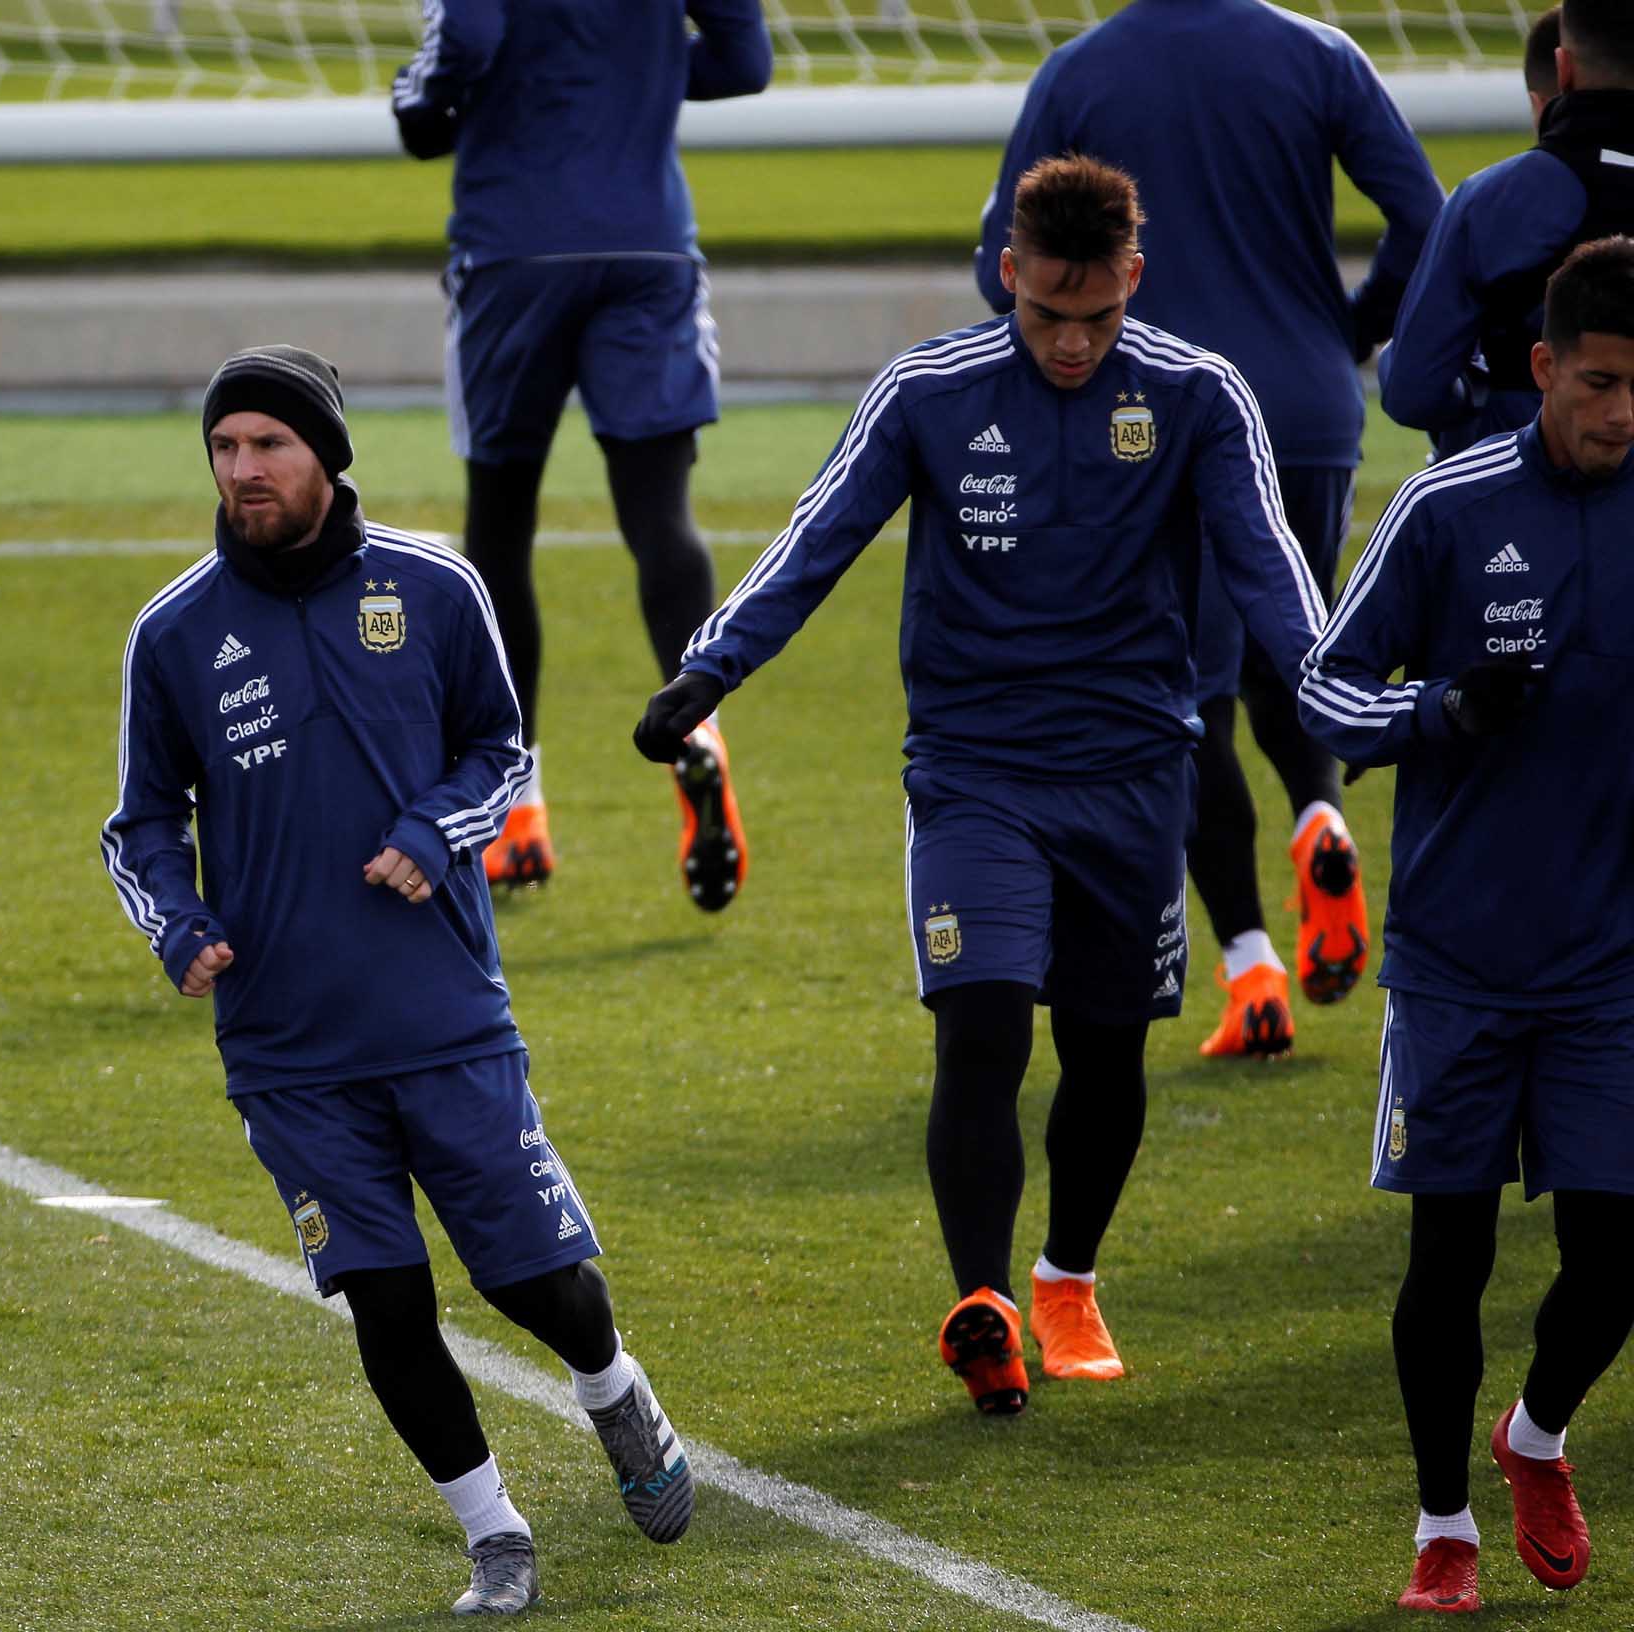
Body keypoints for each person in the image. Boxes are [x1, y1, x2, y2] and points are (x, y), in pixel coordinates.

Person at [635, 157, 1326, 1415]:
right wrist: (708, 672)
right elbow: (818, 535)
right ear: (1007, 275)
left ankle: (1067, 1277)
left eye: (1097, 316)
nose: (1071, 342)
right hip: (975, 774)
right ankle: (988, 1304)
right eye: (1046, 314)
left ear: (1135, 280)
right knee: (985, 1023)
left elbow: (1271, 574)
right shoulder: (929, 392)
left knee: (1107, 1053)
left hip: (1132, 776)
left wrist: (1341, 702)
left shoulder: (1196, 394)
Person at [103, 345, 694, 1615]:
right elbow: (139, 824)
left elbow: (502, 746)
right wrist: (178, 925)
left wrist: (433, 836)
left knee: (534, 1281)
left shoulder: (431, 587)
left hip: (442, 1015)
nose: (243, 470)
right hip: (287, 1047)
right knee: (385, 1297)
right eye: (224, 448)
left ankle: (610, 1386)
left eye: (268, 444)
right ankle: (493, 1531)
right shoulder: (175, 632)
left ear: (326, 454)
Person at [974, 0, 1444, 1059]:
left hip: (1156, 420)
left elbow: (1002, 264)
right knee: (1295, 649)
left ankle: (1251, 968)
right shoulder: (1321, 54)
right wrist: (1348, 332)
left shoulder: (1081, 70)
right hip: (1309, 406)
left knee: (1185, 700)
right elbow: (1429, 219)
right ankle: (1322, 821)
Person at [1298, 235, 1634, 1617]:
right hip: (1456, 964)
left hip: (1613, 962)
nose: (1624, 412)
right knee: (1453, 1255)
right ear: (1546, 369)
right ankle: (1444, 1524)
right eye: (1603, 382)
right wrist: (1435, 712)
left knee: (1617, 1253)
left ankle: (1536, 1437)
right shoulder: (1448, 506)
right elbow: (1325, 689)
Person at [390, 0, 768, 908]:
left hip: (515, 247)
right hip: (647, 239)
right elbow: (746, 57)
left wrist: (423, 100)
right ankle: (700, 728)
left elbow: (469, 40)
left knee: (501, 531)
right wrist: (636, 87)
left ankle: (515, 814)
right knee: (661, 520)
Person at [1381, 0, 1634, 463]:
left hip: (1520, 495)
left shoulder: (1493, 200)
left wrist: (1480, 393)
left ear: (1563, 68)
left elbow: (1411, 391)